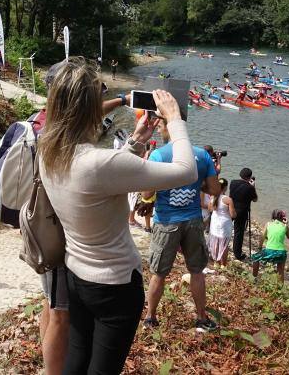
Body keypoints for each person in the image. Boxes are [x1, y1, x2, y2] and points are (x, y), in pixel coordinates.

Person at [38, 57, 197, 374]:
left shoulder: (48, 148)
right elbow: (186, 170)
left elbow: (101, 178)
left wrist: (136, 141)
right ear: (89, 108)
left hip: (76, 275)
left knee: (77, 359)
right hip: (116, 286)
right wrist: (175, 119)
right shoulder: (98, 163)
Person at [142, 120, 221, 332]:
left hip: (167, 221)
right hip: (193, 220)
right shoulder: (202, 155)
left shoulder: (160, 155)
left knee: (159, 273)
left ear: (169, 127)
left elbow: (147, 193)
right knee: (197, 271)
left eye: (160, 126)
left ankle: (150, 318)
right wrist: (196, 182)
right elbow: (214, 189)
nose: (158, 129)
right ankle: (201, 318)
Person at [250, 210, 289, 283]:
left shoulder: (268, 224)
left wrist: (259, 247)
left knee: (255, 258)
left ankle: (254, 278)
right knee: (280, 270)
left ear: (273, 216)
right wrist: (287, 224)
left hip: (269, 251)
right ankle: (279, 288)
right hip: (281, 253)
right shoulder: (285, 226)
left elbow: (262, 237)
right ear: (283, 218)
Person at [230, 168, 259, 260]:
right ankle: (237, 254)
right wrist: (253, 187)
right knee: (239, 233)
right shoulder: (249, 187)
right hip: (242, 212)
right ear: (249, 177)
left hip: (231, 208)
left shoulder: (232, 182)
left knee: (227, 227)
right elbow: (255, 199)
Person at [207, 178, 236, 268]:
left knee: (215, 242)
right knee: (224, 245)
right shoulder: (228, 200)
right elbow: (233, 215)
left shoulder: (212, 197)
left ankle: (216, 262)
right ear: (226, 188)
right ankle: (223, 264)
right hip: (224, 224)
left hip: (215, 223)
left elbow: (209, 209)